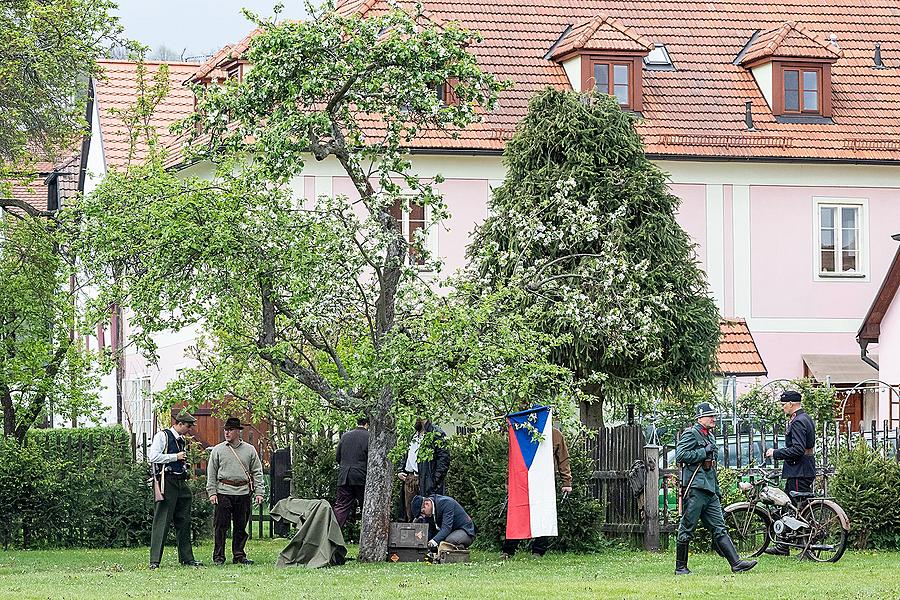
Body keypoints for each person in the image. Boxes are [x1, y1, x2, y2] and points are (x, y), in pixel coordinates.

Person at [674, 402, 757, 575]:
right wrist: (703, 452)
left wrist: (717, 489)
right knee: (687, 527)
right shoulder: (691, 433)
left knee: (719, 527)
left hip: (710, 490)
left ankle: (736, 563)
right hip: (695, 488)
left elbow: (711, 467)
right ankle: (680, 567)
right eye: (710, 416)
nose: (714, 419)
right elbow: (680, 455)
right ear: (700, 418)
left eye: (714, 416)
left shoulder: (710, 436)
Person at [500, 427, 573, 559]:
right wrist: (509, 481)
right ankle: (508, 551)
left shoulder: (555, 434)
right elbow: (514, 458)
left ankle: (538, 551)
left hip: (545, 481)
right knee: (518, 513)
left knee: (543, 515)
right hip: (523, 481)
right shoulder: (523, 432)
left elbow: (563, 459)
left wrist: (566, 482)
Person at [206, 416, 265, 565]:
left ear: (238, 432)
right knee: (221, 527)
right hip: (223, 491)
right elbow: (211, 472)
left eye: (230, 430)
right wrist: (212, 492)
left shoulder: (249, 450)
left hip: (243, 492)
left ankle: (239, 555)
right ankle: (218, 556)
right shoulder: (218, 450)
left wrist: (259, 492)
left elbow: (257, 471)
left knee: (240, 526)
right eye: (226, 430)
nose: (227, 432)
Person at [764, 389, 816, 555]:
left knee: (796, 510)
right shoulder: (805, 418)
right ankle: (783, 546)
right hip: (801, 469)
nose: (782, 407)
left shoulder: (798, 421)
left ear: (792, 404)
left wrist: (776, 453)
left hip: (798, 471)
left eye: (783, 404)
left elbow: (798, 449)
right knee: (795, 509)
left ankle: (803, 548)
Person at [148, 410, 202, 569]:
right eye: (188, 426)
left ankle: (187, 558)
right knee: (162, 521)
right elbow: (153, 457)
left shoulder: (181, 440)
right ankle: (155, 561)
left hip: (181, 482)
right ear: (179, 424)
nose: (189, 430)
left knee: (184, 521)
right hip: (167, 482)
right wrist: (174, 457)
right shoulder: (162, 436)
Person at [396, 417, 450, 521]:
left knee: (427, 514)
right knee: (409, 514)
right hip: (410, 478)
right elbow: (405, 453)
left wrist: (434, 481)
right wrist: (400, 470)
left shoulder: (436, 433)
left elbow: (444, 459)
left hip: (426, 480)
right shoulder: (412, 434)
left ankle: (428, 537)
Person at [333, 417, 369, 528]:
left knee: (341, 507)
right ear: (367, 424)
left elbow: (337, 457)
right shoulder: (369, 437)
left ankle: (333, 535)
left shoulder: (345, 436)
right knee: (366, 507)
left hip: (344, 477)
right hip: (361, 477)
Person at [411, 493, 476, 549]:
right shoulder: (428, 513)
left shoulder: (446, 503)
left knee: (448, 540)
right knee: (437, 543)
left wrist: (432, 542)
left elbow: (446, 528)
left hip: (465, 531)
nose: (423, 516)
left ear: (427, 504)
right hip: (450, 532)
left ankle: (459, 547)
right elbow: (429, 531)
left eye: (423, 512)